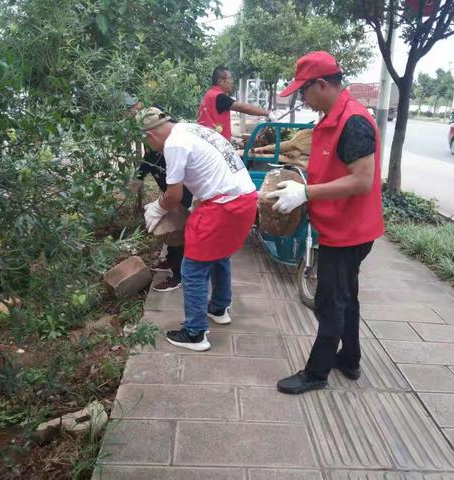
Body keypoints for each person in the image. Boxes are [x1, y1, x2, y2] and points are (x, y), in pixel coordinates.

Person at [267, 51, 384, 394]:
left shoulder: (354, 122)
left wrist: (307, 193)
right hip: (339, 227)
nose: (302, 99)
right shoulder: (332, 117)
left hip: (349, 231)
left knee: (329, 302)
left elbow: (363, 180)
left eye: (303, 91)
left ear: (322, 84)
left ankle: (316, 373)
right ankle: (349, 358)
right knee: (346, 296)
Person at [139, 107, 257, 351]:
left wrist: (157, 209)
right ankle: (219, 307)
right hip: (245, 198)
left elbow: (173, 194)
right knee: (219, 254)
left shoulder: (173, 144)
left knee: (192, 268)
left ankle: (195, 333)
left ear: (150, 137)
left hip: (223, 205)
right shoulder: (192, 129)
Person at [128, 102, 192, 292]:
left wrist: (163, 205)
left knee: (177, 235)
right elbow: (139, 174)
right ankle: (171, 261)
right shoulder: (151, 155)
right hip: (172, 196)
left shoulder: (171, 149)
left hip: (183, 196)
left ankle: (178, 276)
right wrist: (127, 189)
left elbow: (178, 186)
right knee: (171, 233)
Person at [198, 65, 278, 141]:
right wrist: (268, 113)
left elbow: (216, 125)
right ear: (221, 81)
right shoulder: (218, 96)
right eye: (230, 78)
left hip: (209, 141)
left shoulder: (210, 94)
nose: (232, 82)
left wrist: (239, 138)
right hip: (213, 145)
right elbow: (243, 108)